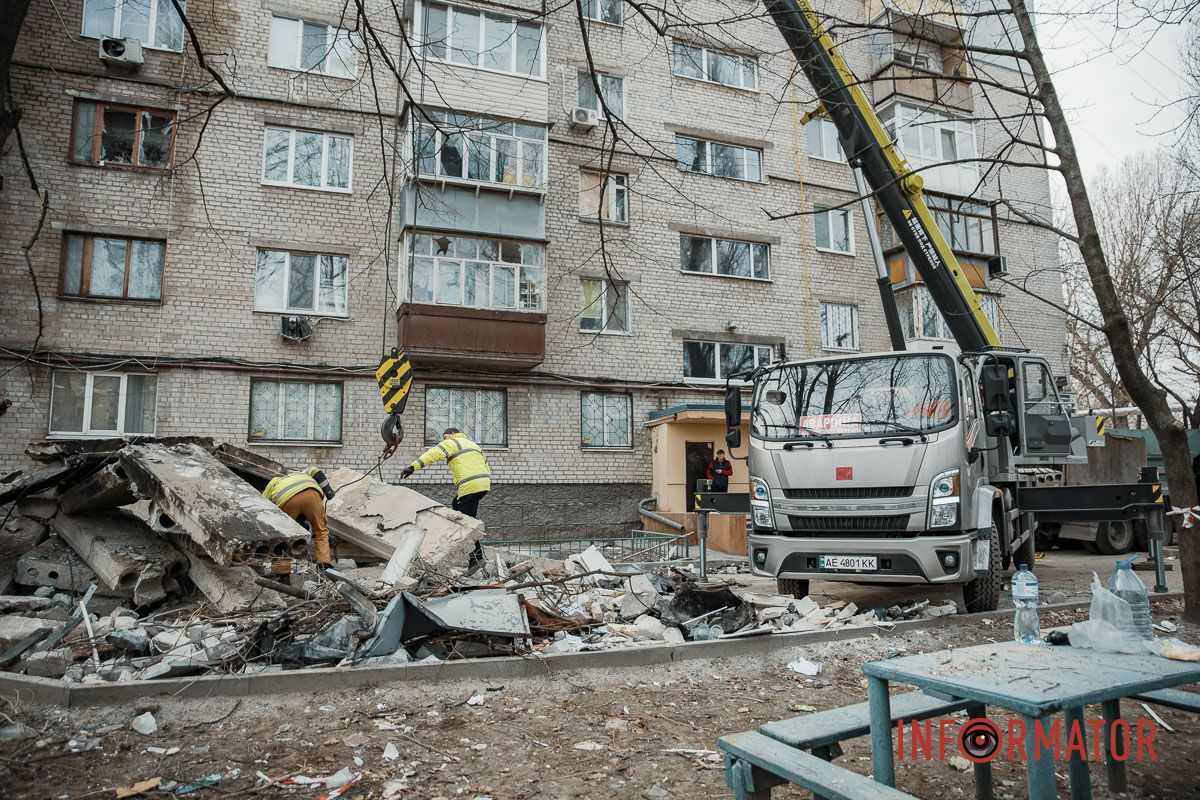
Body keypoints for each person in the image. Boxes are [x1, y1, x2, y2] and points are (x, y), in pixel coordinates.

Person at [401, 428, 491, 569]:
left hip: (469, 485)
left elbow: (434, 453)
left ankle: (476, 558)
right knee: (456, 504)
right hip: (483, 484)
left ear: (452, 434)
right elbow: (485, 464)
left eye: (444, 436)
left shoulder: (453, 442)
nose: (443, 440)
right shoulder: (473, 444)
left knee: (467, 523)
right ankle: (472, 551)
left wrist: (413, 467)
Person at [263, 467, 335, 574]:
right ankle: (325, 567)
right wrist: (328, 491)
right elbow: (315, 470)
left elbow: (263, 502)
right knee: (321, 532)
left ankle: (281, 573)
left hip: (286, 499)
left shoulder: (275, 481)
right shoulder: (305, 473)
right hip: (312, 494)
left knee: (283, 537)